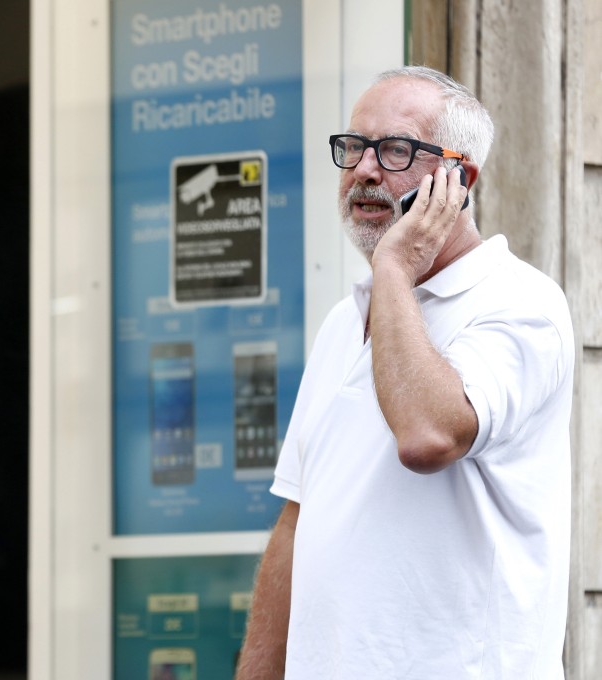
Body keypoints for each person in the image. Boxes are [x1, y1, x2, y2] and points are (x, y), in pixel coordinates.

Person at [236, 65, 575, 679]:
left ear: (460, 178)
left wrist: (396, 269)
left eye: (395, 150)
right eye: (354, 148)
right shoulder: (345, 321)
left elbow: (427, 435)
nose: (364, 169)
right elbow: (297, 523)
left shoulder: (523, 303)